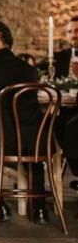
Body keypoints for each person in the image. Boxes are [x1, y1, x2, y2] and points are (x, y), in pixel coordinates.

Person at [0, 21, 49, 224]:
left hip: (3, 138)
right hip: (35, 138)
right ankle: (40, 209)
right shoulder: (29, 70)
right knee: (33, 156)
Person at [47, 17, 78, 190]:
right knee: (54, 122)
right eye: (70, 31)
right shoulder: (59, 58)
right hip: (65, 108)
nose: (74, 35)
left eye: (77, 31)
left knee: (72, 127)